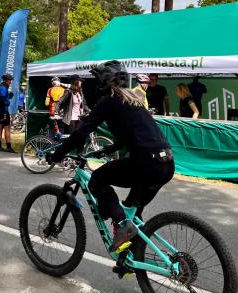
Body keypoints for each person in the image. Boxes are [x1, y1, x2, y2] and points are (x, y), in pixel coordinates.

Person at [47, 61, 174, 252]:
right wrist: (107, 150)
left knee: (97, 179)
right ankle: (130, 258)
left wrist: (58, 154)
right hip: (166, 163)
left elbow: (82, 132)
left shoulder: (110, 101)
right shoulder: (134, 100)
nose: (97, 85)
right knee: (133, 213)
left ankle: (122, 225)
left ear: (106, 82)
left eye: (98, 80)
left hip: (147, 163)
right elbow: (132, 134)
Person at [0, 73, 15, 153]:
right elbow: (3, 99)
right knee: (7, 128)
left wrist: (9, 95)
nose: (10, 82)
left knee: (0, 126)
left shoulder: (1, 86)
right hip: (4, 110)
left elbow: (3, 97)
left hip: (0, 110)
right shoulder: (3, 88)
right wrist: (7, 101)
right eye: (9, 80)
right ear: (5, 80)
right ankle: (8, 147)